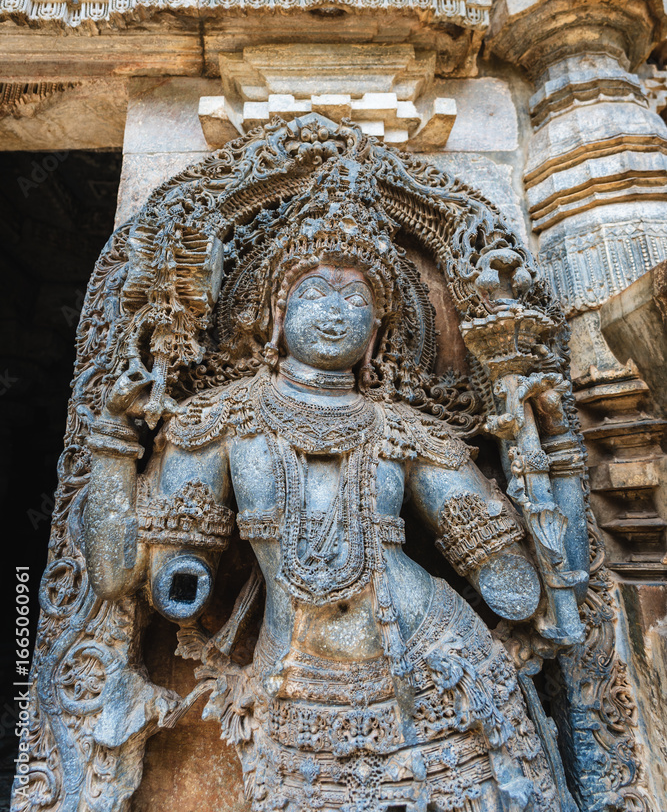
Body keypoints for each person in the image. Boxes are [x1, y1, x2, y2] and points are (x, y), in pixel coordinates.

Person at [84, 160, 565, 812]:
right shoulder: (218, 422)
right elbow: (133, 576)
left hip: (435, 665)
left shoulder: (405, 431)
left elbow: (511, 576)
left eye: (355, 299)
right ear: (276, 311)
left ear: (377, 332)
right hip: (296, 684)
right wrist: (114, 443)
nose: (336, 314)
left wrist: (537, 467)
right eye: (315, 293)